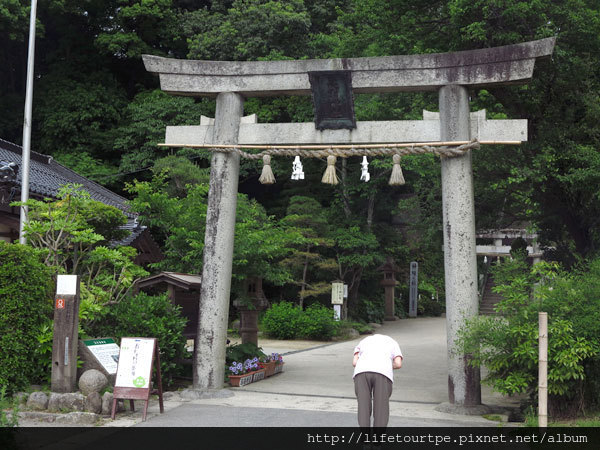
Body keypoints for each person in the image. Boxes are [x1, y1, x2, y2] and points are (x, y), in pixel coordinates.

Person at [352, 334, 403, 428]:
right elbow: (398, 364)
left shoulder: (363, 341)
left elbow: (355, 362)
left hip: (361, 371)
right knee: (381, 406)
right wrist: (387, 366)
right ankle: (377, 439)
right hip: (383, 373)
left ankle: (365, 438)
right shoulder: (393, 342)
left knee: (363, 406)